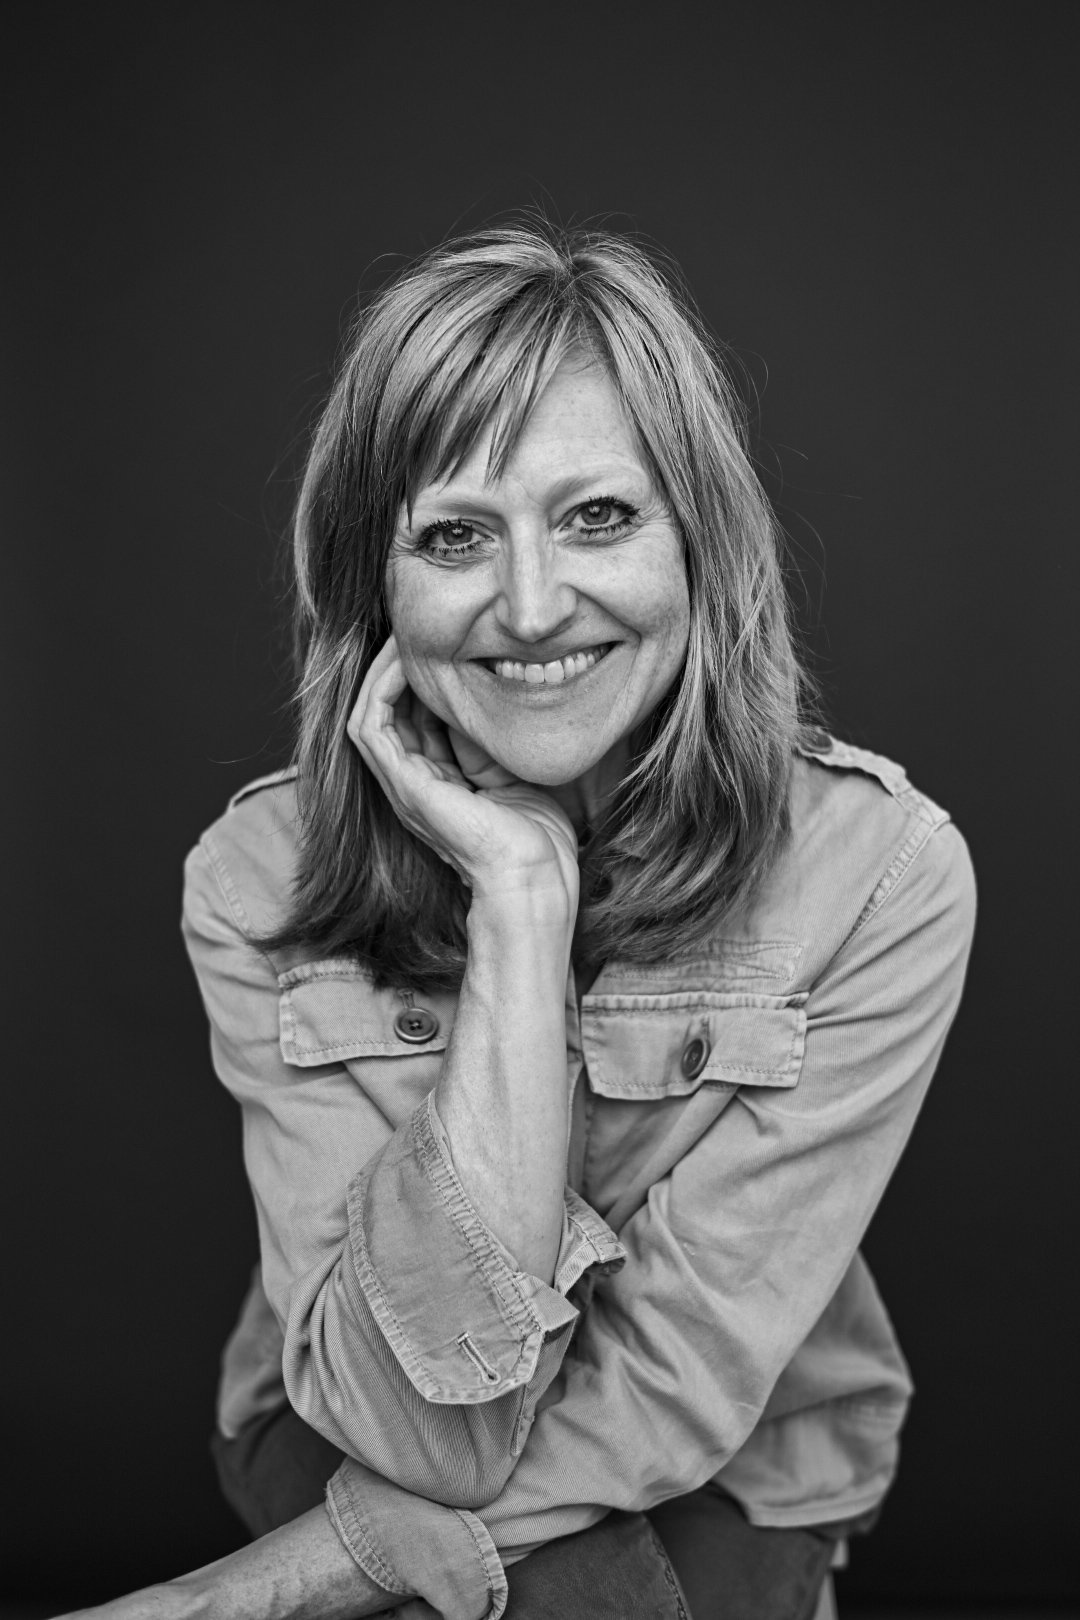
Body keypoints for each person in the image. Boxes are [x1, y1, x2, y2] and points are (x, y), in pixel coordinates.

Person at [66, 222, 976, 1619]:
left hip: (727, 1461)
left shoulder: (878, 874)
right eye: (455, 536)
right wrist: (522, 900)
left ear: (701, 545)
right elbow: (419, 1428)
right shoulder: (255, 874)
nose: (535, 604)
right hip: (341, 1419)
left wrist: (286, 1581)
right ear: (377, 587)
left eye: (599, 517)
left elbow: (679, 1384)